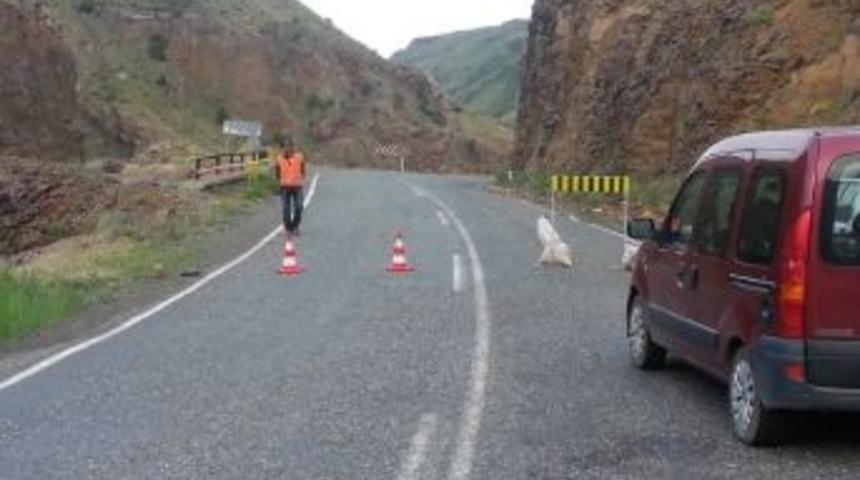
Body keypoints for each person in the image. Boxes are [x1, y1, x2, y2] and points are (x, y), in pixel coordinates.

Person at [275, 137, 306, 236]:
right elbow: (278, 173)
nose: (287, 148)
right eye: (285, 146)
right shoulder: (279, 159)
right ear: (282, 148)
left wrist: (299, 179)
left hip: (297, 186)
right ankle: (288, 228)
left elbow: (302, 170)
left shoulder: (299, 157)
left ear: (293, 147)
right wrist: (281, 181)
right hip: (285, 187)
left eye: (289, 146)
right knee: (286, 209)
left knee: (299, 206)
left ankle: (295, 226)